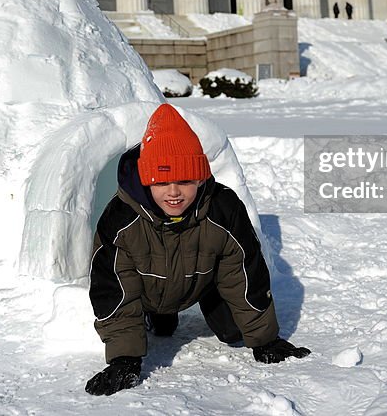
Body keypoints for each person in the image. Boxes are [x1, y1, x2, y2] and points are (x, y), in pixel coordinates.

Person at [85, 103, 310, 396]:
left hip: (202, 282)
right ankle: (159, 316)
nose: (174, 191)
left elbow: (244, 274)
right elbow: (113, 290)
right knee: (161, 326)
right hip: (146, 291)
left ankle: (199, 315)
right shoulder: (122, 220)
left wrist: (265, 339)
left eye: (185, 180)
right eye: (162, 181)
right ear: (146, 181)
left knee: (234, 333)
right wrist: (123, 357)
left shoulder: (223, 210)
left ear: (201, 177)